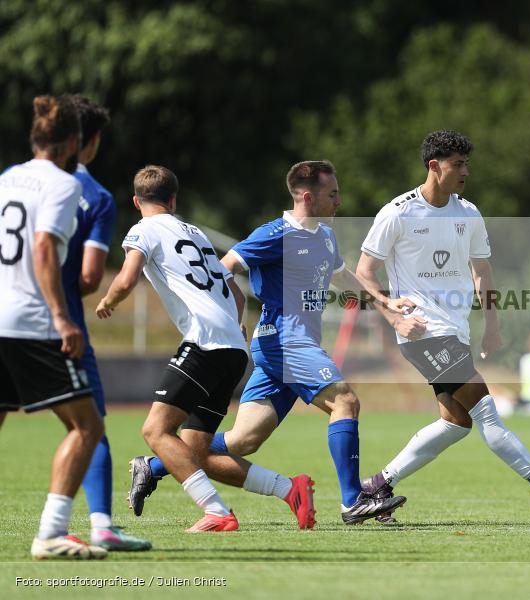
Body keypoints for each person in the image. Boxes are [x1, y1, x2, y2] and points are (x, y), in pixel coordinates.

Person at [126, 161, 407, 525]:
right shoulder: (274, 234)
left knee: (242, 441)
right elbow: (223, 269)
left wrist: (386, 304)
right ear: (308, 196)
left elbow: (344, 278)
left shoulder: (324, 235)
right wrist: (231, 319)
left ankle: (153, 465)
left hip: (292, 345)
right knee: (346, 401)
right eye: (332, 194)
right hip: (284, 342)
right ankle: (353, 501)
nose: (339, 202)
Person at [356, 130, 530, 521]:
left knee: (456, 422)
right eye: (457, 164)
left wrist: (492, 324)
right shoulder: (397, 212)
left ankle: (376, 486)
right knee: (485, 411)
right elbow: (364, 272)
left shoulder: (468, 212)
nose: (465, 171)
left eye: (467, 164)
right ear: (434, 166)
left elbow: (482, 270)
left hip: (455, 331)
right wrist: (392, 313)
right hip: (424, 332)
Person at [97, 165, 274, 533]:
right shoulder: (194, 232)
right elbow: (237, 292)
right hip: (233, 349)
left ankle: (217, 511)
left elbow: (128, 276)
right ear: (173, 199)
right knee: (195, 443)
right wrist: (235, 323)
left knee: (155, 431)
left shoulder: (143, 230)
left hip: (205, 342)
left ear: (136, 201)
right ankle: (282, 491)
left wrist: (108, 300)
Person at [0, 95, 107, 559]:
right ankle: (51, 532)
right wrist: (62, 317)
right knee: (87, 427)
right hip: (30, 322)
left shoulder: (6, 179)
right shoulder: (63, 186)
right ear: (71, 144)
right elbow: (43, 248)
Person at [57, 95, 151, 551]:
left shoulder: (9, 181)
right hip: (57, 325)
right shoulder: (92, 196)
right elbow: (92, 277)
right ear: (89, 142)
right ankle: (98, 528)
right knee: (89, 426)